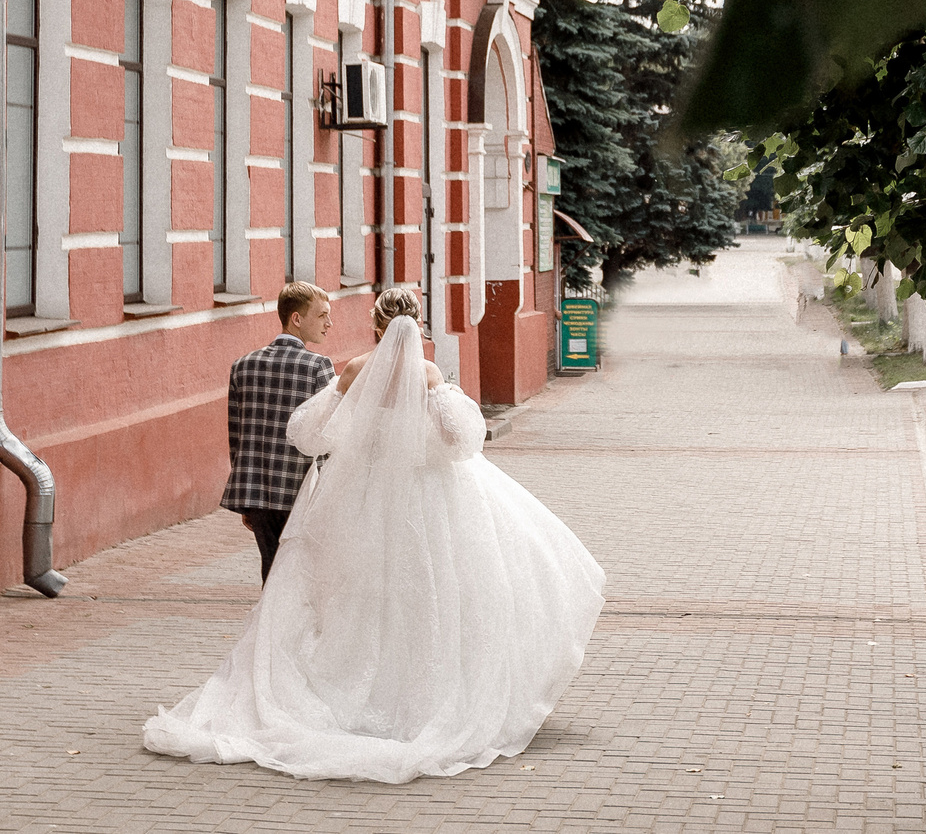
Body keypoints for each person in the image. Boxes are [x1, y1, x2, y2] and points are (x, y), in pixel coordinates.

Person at [144, 286, 605, 781]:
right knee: (430, 594)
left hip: (359, 496)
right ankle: (420, 696)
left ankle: (346, 691)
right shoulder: (427, 374)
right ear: (418, 324)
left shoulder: (352, 371)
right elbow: (462, 440)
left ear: (375, 327)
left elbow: (306, 433)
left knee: (356, 595)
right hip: (426, 499)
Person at [222, 281, 336, 582]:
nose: (329, 323)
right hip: (300, 491)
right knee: (302, 576)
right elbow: (327, 436)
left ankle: (268, 628)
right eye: (322, 315)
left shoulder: (242, 366)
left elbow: (237, 435)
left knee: (270, 570)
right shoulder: (318, 367)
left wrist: (248, 498)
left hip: (256, 492)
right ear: (296, 318)